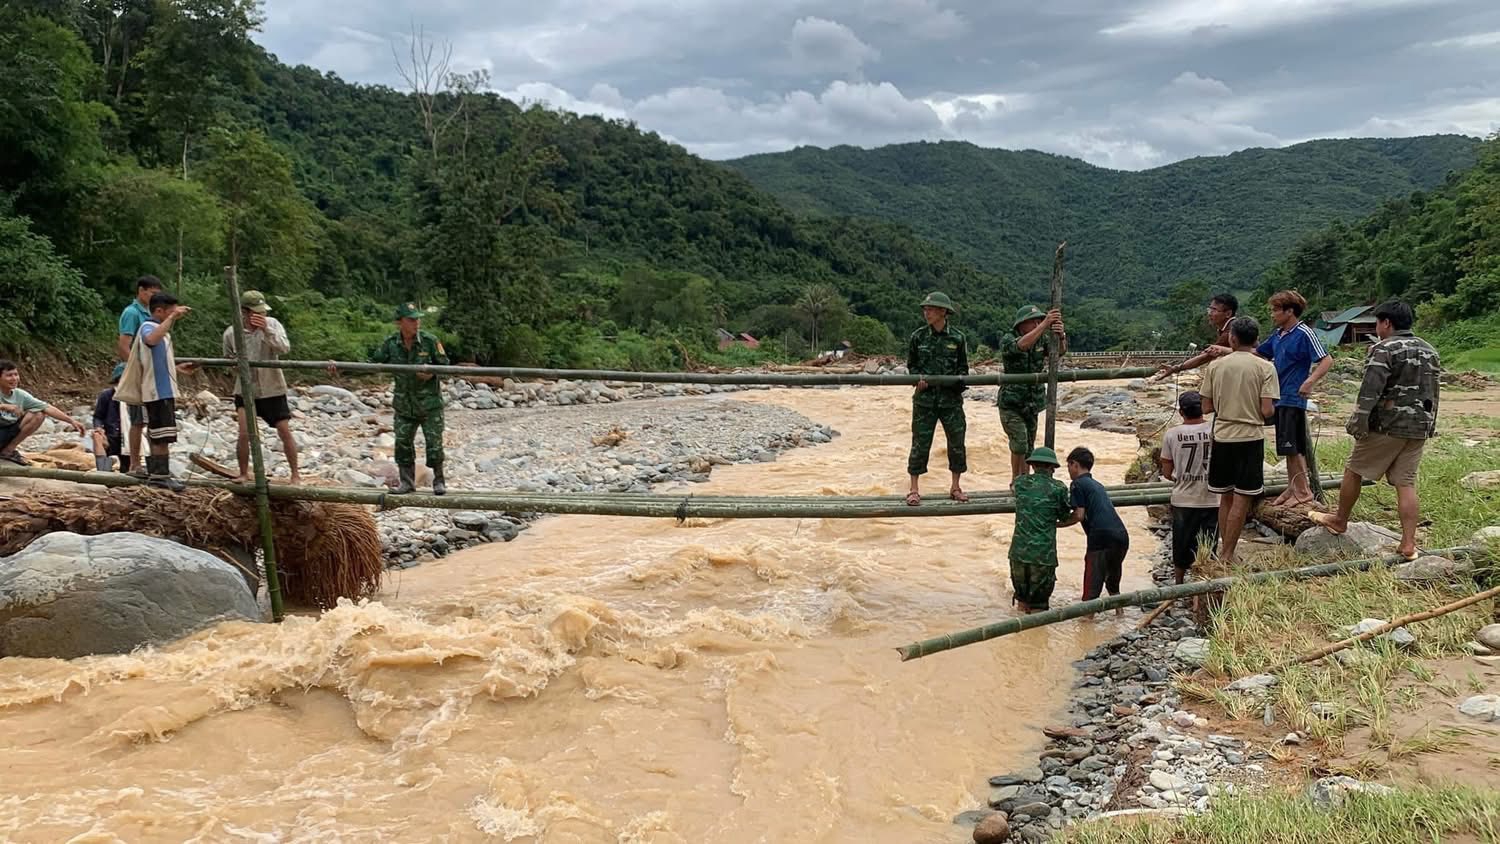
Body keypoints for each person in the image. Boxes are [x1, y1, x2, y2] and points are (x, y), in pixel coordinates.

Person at [1309, 301, 1440, 560]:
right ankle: (1408, 543)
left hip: (1387, 425)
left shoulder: (1384, 349)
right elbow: (1434, 390)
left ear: (1387, 323)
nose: (1376, 328)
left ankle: (1339, 520)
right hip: (1418, 426)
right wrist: (1430, 425)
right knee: (1406, 482)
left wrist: (1358, 422)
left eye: (1377, 323)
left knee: (1354, 470)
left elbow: (1370, 389)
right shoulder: (1430, 349)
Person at [330, 302, 450, 495]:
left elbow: (445, 366)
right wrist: (341, 366)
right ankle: (407, 483)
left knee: (434, 444)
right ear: (399, 322)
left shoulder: (430, 341)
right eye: (411, 320)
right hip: (404, 405)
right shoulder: (391, 343)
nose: (416, 323)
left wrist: (431, 373)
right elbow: (372, 364)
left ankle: (439, 481)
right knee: (402, 444)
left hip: (429, 405)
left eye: (417, 319)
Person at [1199, 316, 1278, 563]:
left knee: (1225, 496)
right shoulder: (1266, 368)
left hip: (1222, 436)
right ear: (1256, 340)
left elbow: (1206, 406)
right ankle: (1228, 554)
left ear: (1232, 339)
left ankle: (1224, 551)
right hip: (1250, 437)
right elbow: (1267, 410)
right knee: (1243, 498)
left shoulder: (1216, 366)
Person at [1256, 290, 1332, 506]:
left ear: (1289, 311)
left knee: (1293, 447)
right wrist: (1227, 351)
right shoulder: (1278, 335)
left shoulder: (1304, 332)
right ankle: (1293, 487)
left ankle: (1303, 491)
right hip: (1278, 397)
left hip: (1292, 396)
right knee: (1287, 447)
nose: (1272, 314)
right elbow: (1258, 353)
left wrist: (1309, 381)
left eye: (1275, 310)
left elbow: (1326, 360)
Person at [223, 290, 301, 484]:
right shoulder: (232, 332)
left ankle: (295, 474)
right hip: (245, 388)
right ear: (244, 312)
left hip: (271, 386)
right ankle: (243, 473)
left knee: (284, 430)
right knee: (244, 432)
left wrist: (266, 330)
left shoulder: (273, 324)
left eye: (262, 312)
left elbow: (284, 348)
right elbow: (228, 358)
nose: (261, 315)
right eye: (256, 312)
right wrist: (235, 365)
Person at [905, 292, 970, 505]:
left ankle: (956, 487)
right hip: (925, 400)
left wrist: (957, 383)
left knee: (957, 443)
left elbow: (963, 369)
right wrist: (918, 380)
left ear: (943, 311)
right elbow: (912, 366)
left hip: (951, 401)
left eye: (931, 309)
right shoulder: (918, 337)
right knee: (920, 444)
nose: (926, 313)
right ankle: (914, 489)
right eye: (925, 309)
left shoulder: (958, 338)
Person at [124, 292, 192, 491]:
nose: (174, 315)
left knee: (161, 433)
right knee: (161, 434)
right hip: (157, 392)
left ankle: (158, 474)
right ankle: (160, 476)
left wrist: (177, 369)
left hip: (164, 390)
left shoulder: (162, 332)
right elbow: (151, 340)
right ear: (160, 311)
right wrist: (172, 318)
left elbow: (157, 360)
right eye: (171, 311)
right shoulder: (149, 326)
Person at [998, 304, 1066, 487]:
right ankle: (1016, 480)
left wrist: (1061, 336)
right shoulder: (1008, 338)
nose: (1037, 324)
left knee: (1029, 446)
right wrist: (1044, 324)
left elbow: (1059, 352)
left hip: (1032, 402)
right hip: (1011, 402)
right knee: (1019, 442)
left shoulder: (1042, 339)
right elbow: (1022, 345)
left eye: (1039, 321)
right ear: (1022, 324)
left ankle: (1026, 479)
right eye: (1033, 321)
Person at [1009, 446, 1078, 613]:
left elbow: (1014, 488)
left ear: (1032, 465)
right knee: (1038, 608)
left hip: (1018, 554)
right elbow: (1064, 516)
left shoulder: (1020, 483)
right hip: (1043, 556)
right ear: (1052, 467)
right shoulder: (1059, 488)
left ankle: (1020, 628)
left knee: (1021, 602)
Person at [1160, 391, 1218, 583]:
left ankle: (1179, 584)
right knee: (1208, 546)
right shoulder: (1214, 429)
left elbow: (1167, 470)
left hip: (1184, 498)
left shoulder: (1172, 434)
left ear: (1181, 412)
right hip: (1212, 498)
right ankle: (1202, 586)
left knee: (1181, 545)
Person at [1066, 446, 1130, 602]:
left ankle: (1087, 616)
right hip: (1121, 535)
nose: (1068, 470)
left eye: (1069, 466)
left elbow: (1079, 515)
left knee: (1091, 587)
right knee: (1113, 580)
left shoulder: (1077, 484)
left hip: (1101, 537)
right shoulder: (1097, 485)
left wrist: (1057, 524)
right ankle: (1119, 614)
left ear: (1075, 464)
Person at [0, 360, 87, 465]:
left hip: (8, 432)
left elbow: (47, 407)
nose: (14, 378)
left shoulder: (20, 395)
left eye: (16, 374)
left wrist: (71, 421)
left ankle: (8, 451)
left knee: (38, 414)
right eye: (9, 375)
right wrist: (4, 406)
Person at [118, 275, 163, 476]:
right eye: (152, 293)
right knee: (138, 420)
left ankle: (154, 463)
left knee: (153, 419)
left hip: (151, 373)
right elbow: (123, 346)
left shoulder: (152, 314)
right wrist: (136, 370)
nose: (155, 297)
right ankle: (134, 464)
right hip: (138, 374)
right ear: (141, 291)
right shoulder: (132, 313)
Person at [1155, 293, 1239, 379]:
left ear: (1228, 314)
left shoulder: (1232, 331)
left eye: (1214, 310)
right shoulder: (1228, 327)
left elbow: (1205, 357)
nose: (1209, 314)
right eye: (1209, 309)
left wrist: (1176, 368)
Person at [91, 366, 128, 472]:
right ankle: (104, 471)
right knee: (97, 437)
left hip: (128, 438)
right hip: (111, 436)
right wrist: (99, 429)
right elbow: (98, 416)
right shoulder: (106, 395)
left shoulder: (136, 397)